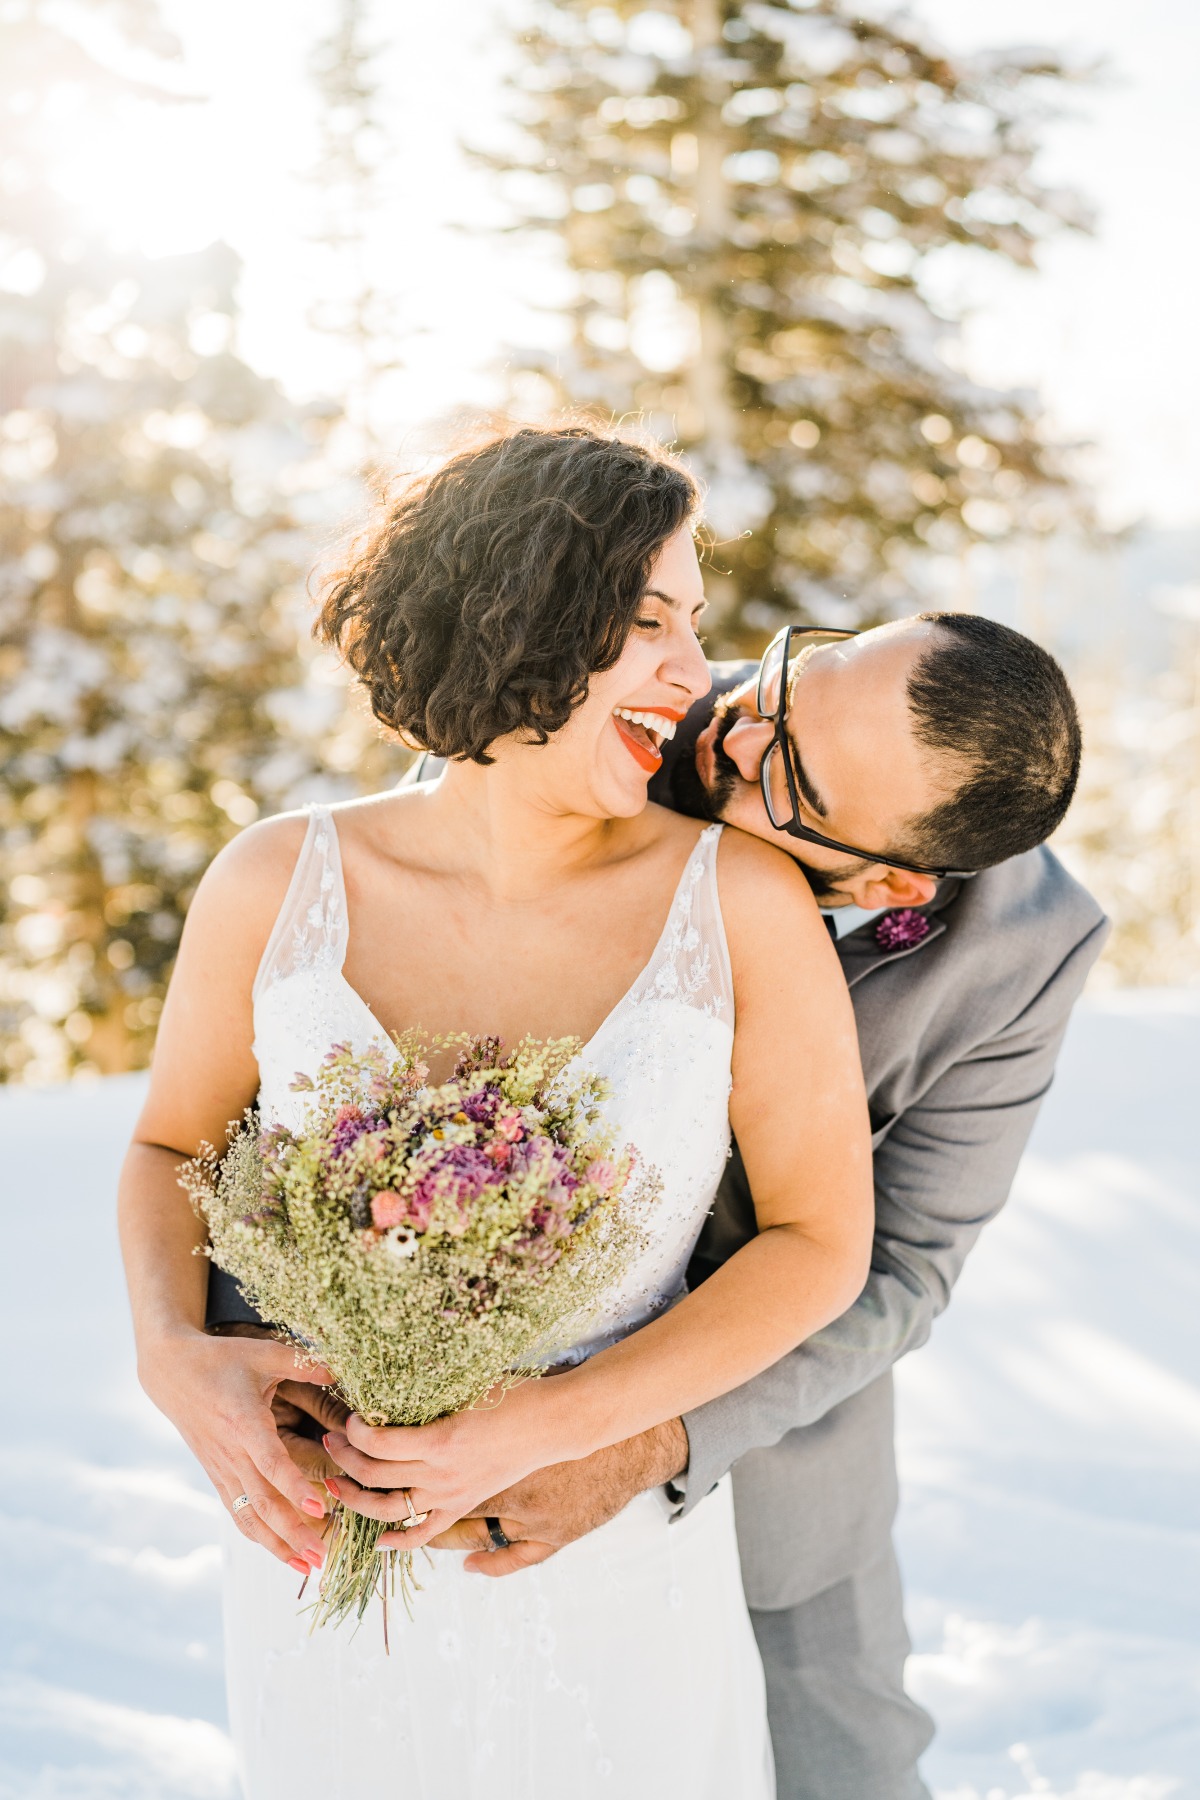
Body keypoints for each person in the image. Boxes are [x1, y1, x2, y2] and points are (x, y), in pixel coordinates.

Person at [118, 422, 879, 1799]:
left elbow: (820, 1243)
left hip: (605, 1564)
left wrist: (551, 1427)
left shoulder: (740, 905)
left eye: (695, 627)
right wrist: (171, 1352)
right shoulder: (275, 880)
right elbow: (172, 1144)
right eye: (650, 620)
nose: (693, 675)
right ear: (517, 609)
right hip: (319, 1555)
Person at [280, 608, 1108, 1799]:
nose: (730, 723)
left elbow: (903, 1270)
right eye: (796, 672)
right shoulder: (583, 724)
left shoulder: (1028, 949)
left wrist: (648, 1440)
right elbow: (334, 1078)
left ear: (890, 879)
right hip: (450, 1433)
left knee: (846, 1774)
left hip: (764, 1471)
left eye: (791, 769)